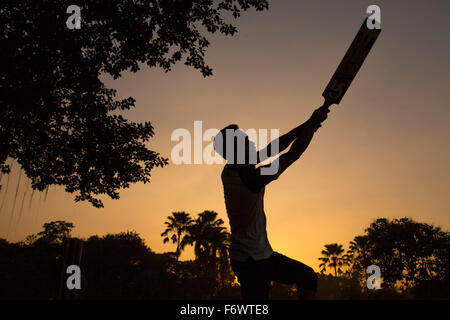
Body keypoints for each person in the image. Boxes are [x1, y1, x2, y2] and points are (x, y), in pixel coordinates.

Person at [213, 105, 329, 300]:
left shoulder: (232, 168)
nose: (250, 142)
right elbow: (292, 154)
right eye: (244, 140)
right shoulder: (252, 176)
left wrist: (310, 123)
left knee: (308, 276)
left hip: (260, 255)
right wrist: (311, 126)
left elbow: (273, 147)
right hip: (251, 262)